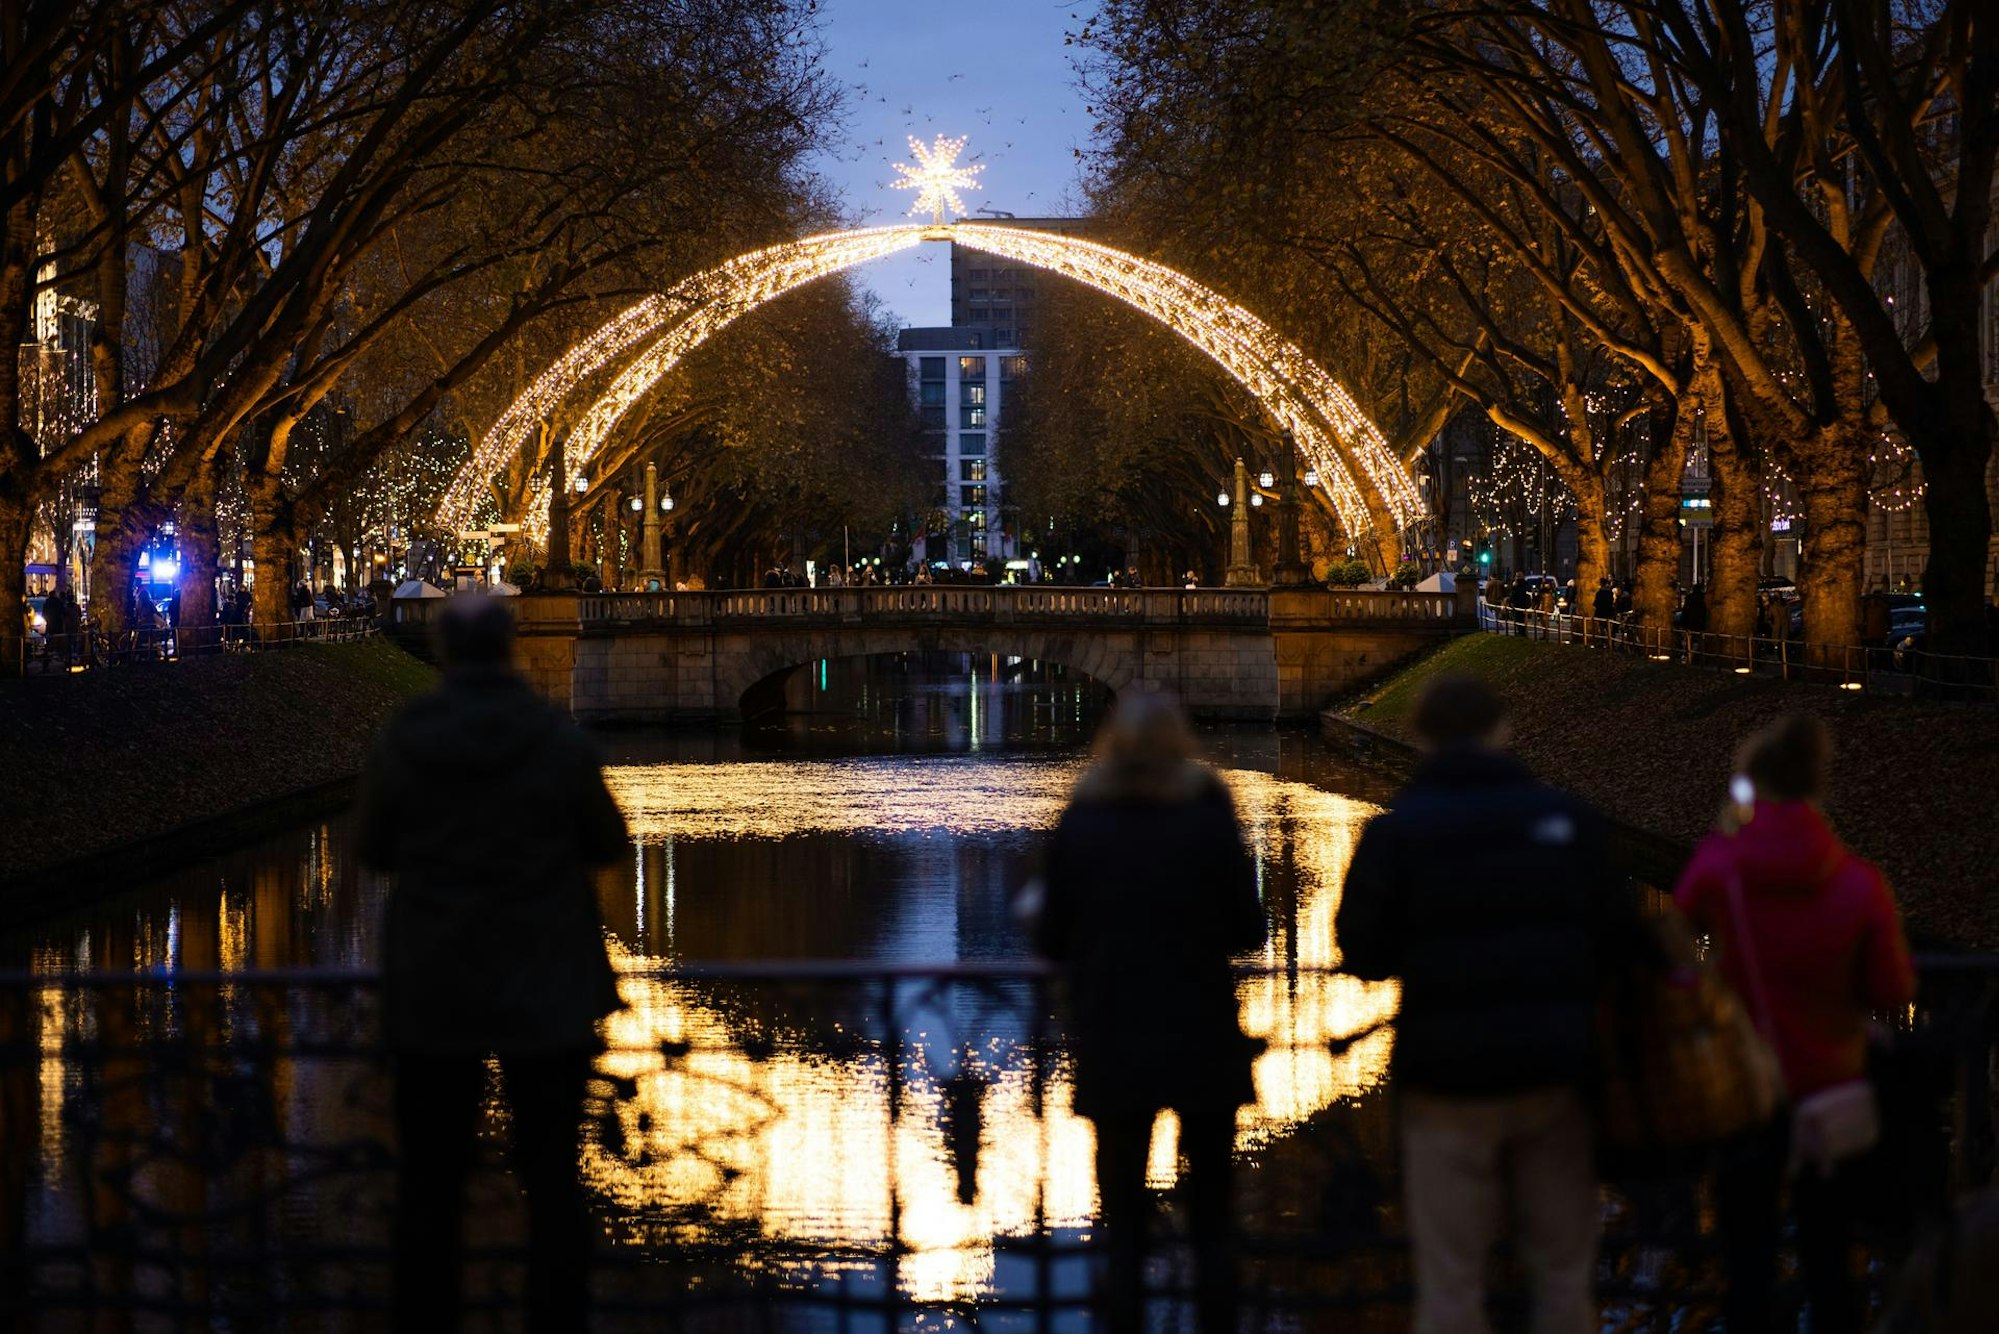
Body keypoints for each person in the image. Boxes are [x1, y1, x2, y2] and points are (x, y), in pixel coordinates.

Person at [357, 596, 628, 1332]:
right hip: (546, 980)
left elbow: (374, 849)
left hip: (435, 982)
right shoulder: (554, 738)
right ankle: (556, 1315)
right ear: (510, 648)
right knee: (552, 1174)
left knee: (430, 1179)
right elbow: (607, 841)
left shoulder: (406, 735)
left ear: (443, 652)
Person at [1336, 675, 1633, 1334]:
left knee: (1450, 1278)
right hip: (1556, 1071)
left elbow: (1362, 951)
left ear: (1421, 736)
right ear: (1502, 734)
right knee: (1561, 1273)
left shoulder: (1397, 834)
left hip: (1447, 1076)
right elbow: (1619, 935)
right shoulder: (1568, 819)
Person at [1673, 715, 1915, 1334]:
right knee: (1831, 1259)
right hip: (1831, 1092)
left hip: (1746, 1091)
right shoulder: (1859, 883)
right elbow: (1892, 988)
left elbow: (1676, 958)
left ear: (1750, 788)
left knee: (1747, 1262)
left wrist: (1728, 834)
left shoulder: (1721, 867)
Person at [1035, 692, 1264, 1334]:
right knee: (1213, 1217)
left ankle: (1125, 1317)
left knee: (1126, 1219)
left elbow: (1053, 936)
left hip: (1116, 1034)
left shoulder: (1082, 819)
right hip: (1200, 1032)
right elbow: (1247, 929)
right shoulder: (1210, 813)